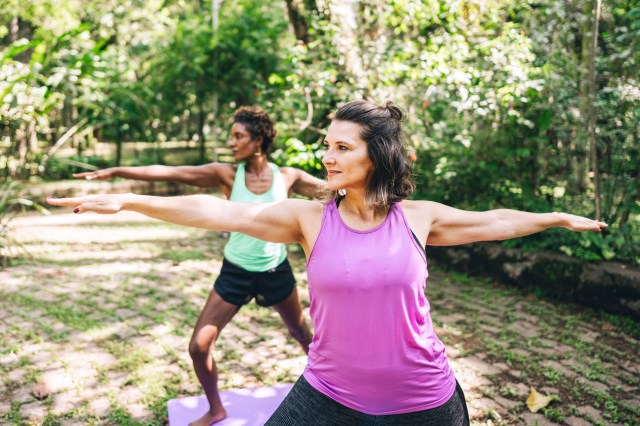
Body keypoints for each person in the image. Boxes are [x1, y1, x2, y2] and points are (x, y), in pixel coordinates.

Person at [49, 100, 607, 425]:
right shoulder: (308, 219)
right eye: (327, 145)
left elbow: (496, 220)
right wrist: (130, 199)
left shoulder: (419, 217)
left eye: (343, 147)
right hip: (329, 394)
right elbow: (217, 212)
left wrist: (555, 218)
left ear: (377, 156)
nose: (327, 156)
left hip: (425, 401)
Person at [74, 106, 323, 426]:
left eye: (238, 136)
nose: (231, 143)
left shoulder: (288, 176)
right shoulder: (226, 175)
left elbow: (333, 192)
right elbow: (169, 172)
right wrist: (117, 172)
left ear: (258, 140)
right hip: (235, 272)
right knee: (199, 345)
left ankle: (333, 397)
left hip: (277, 271)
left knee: (303, 335)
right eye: (231, 136)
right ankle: (216, 409)